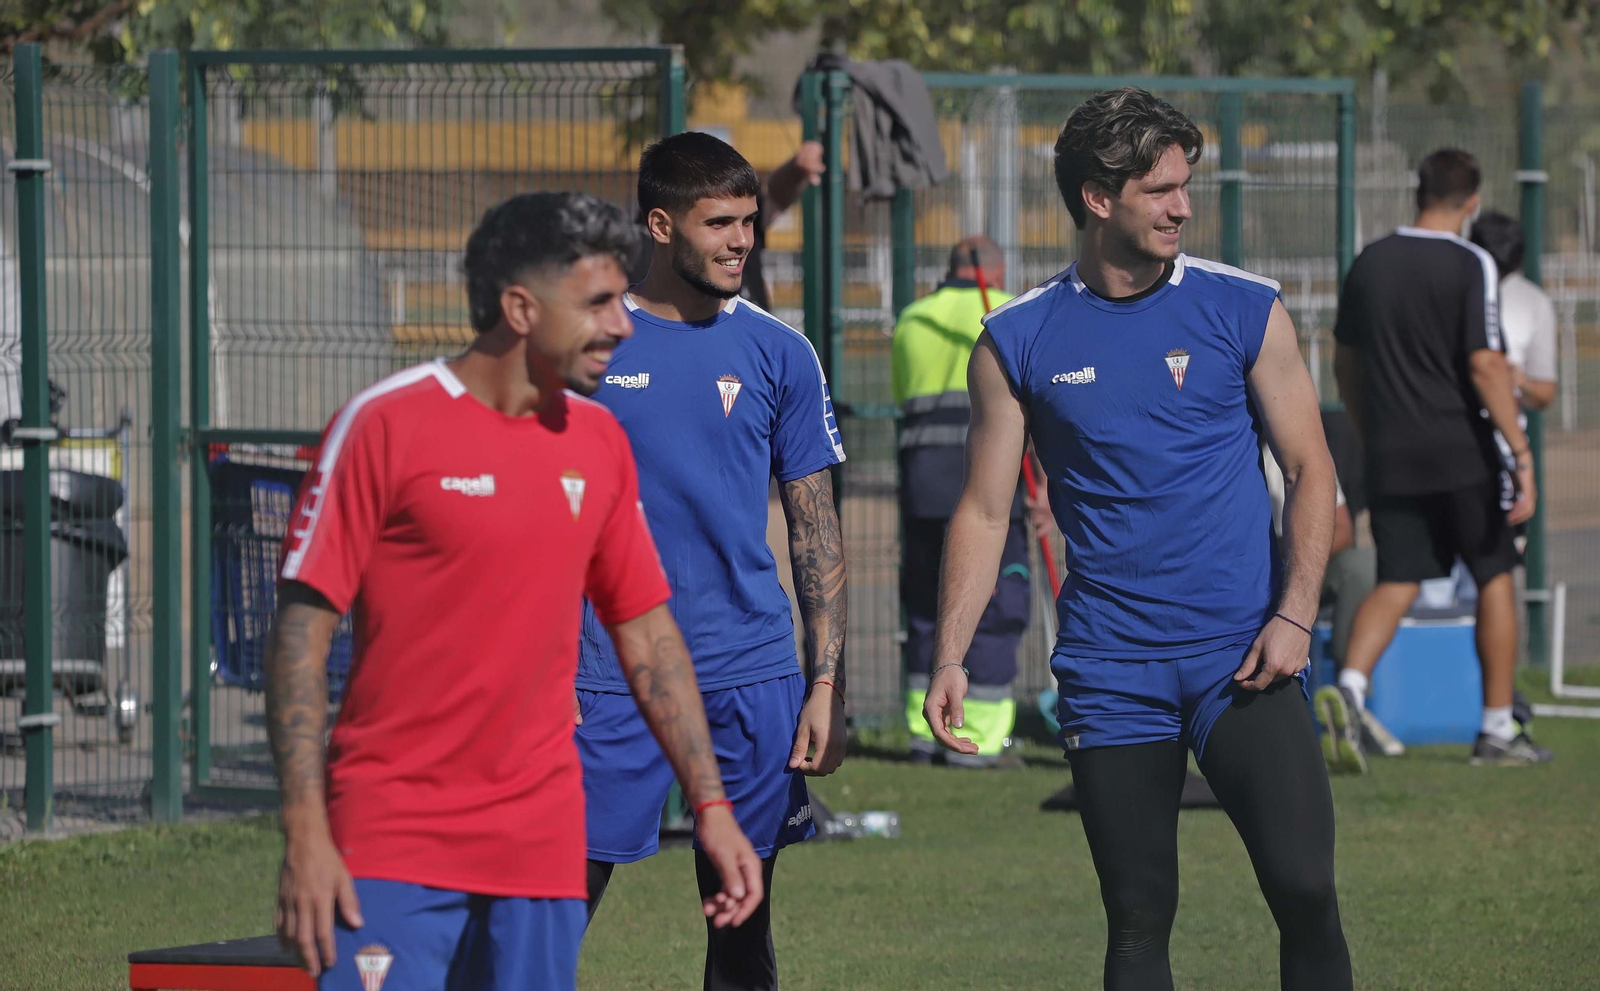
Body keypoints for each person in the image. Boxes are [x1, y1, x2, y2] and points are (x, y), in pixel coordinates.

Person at [263, 192, 764, 990]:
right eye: (598, 303)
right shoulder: (383, 425)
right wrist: (304, 830)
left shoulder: (599, 441)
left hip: (541, 843)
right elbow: (299, 634)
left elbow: (648, 633)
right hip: (391, 836)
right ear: (521, 308)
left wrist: (711, 806)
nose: (623, 324)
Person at [924, 87, 1352, 989]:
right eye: (1159, 190)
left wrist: (1297, 615)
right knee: (1137, 916)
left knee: (1306, 886)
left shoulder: (1246, 309)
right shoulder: (1016, 339)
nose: (1182, 206)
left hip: (1248, 656)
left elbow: (1313, 471)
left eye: (1184, 186)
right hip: (1111, 669)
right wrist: (951, 655)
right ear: (1096, 197)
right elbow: (984, 510)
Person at [576, 132, 848, 991]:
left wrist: (827, 685)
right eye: (719, 222)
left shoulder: (780, 352)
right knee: (547, 916)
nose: (742, 240)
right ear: (659, 225)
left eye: (749, 221)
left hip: (749, 673)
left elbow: (816, 532)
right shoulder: (587, 345)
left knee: (742, 934)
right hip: (606, 672)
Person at [1330, 150, 1552, 769]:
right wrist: (1520, 450)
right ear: (1472, 200)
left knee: (1398, 578)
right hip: (1462, 453)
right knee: (1495, 576)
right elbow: (1485, 363)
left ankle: (1348, 690)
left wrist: (1370, 431)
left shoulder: (1370, 262)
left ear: (1417, 191)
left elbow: (1344, 360)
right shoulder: (1470, 261)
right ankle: (1498, 729)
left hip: (1392, 454)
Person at [894, 235, 1029, 767]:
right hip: (991, 480)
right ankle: (980, 739)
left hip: (924, 482)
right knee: (996, 605)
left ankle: (921, 730)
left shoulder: (911, 320)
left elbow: (905, 395)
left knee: (928, 602)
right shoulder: (1008, 314)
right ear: (994, 271)